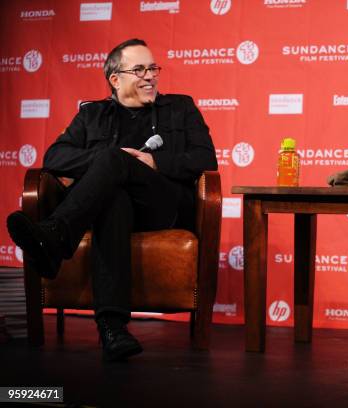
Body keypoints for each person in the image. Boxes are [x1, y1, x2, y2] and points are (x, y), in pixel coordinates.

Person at [6, 39, 218, 361]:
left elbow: (205, 159)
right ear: (115, 79)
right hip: (111, 209)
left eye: (153, 68)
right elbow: (55, 157)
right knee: (113, 196)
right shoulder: (92, 115)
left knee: (113, 162)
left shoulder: (181, 107)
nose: (150, 76)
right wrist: (107, 162)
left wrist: (153, 163)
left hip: (162, 205)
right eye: (139, 69)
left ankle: (56, 234)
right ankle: (113, 330)